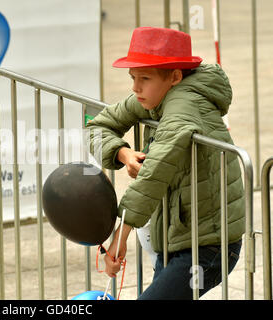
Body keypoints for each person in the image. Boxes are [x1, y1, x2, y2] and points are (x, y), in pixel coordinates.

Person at [86, 27, 245, 300]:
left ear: (174, 76)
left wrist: (119, 238)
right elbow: (95, 127)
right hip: (178, 237)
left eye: (144, 78)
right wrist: (123, 153)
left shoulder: (184, 105)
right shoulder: (154, 95)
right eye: (132, 77)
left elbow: (152, 175)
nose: (135, 87)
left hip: (209, 246)